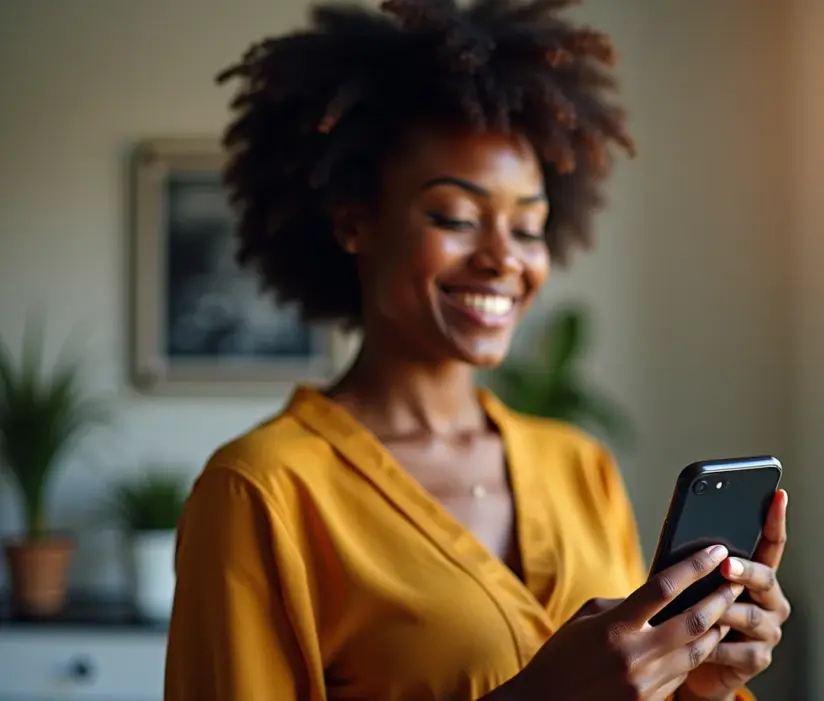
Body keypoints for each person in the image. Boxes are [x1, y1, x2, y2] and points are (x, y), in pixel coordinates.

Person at [163, 1, 791, 700]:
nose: (502, 259)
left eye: (527, 228)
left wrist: (698, 683)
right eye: (454, 217)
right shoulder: (260, 489)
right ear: (353, 223)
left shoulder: (579, 467)